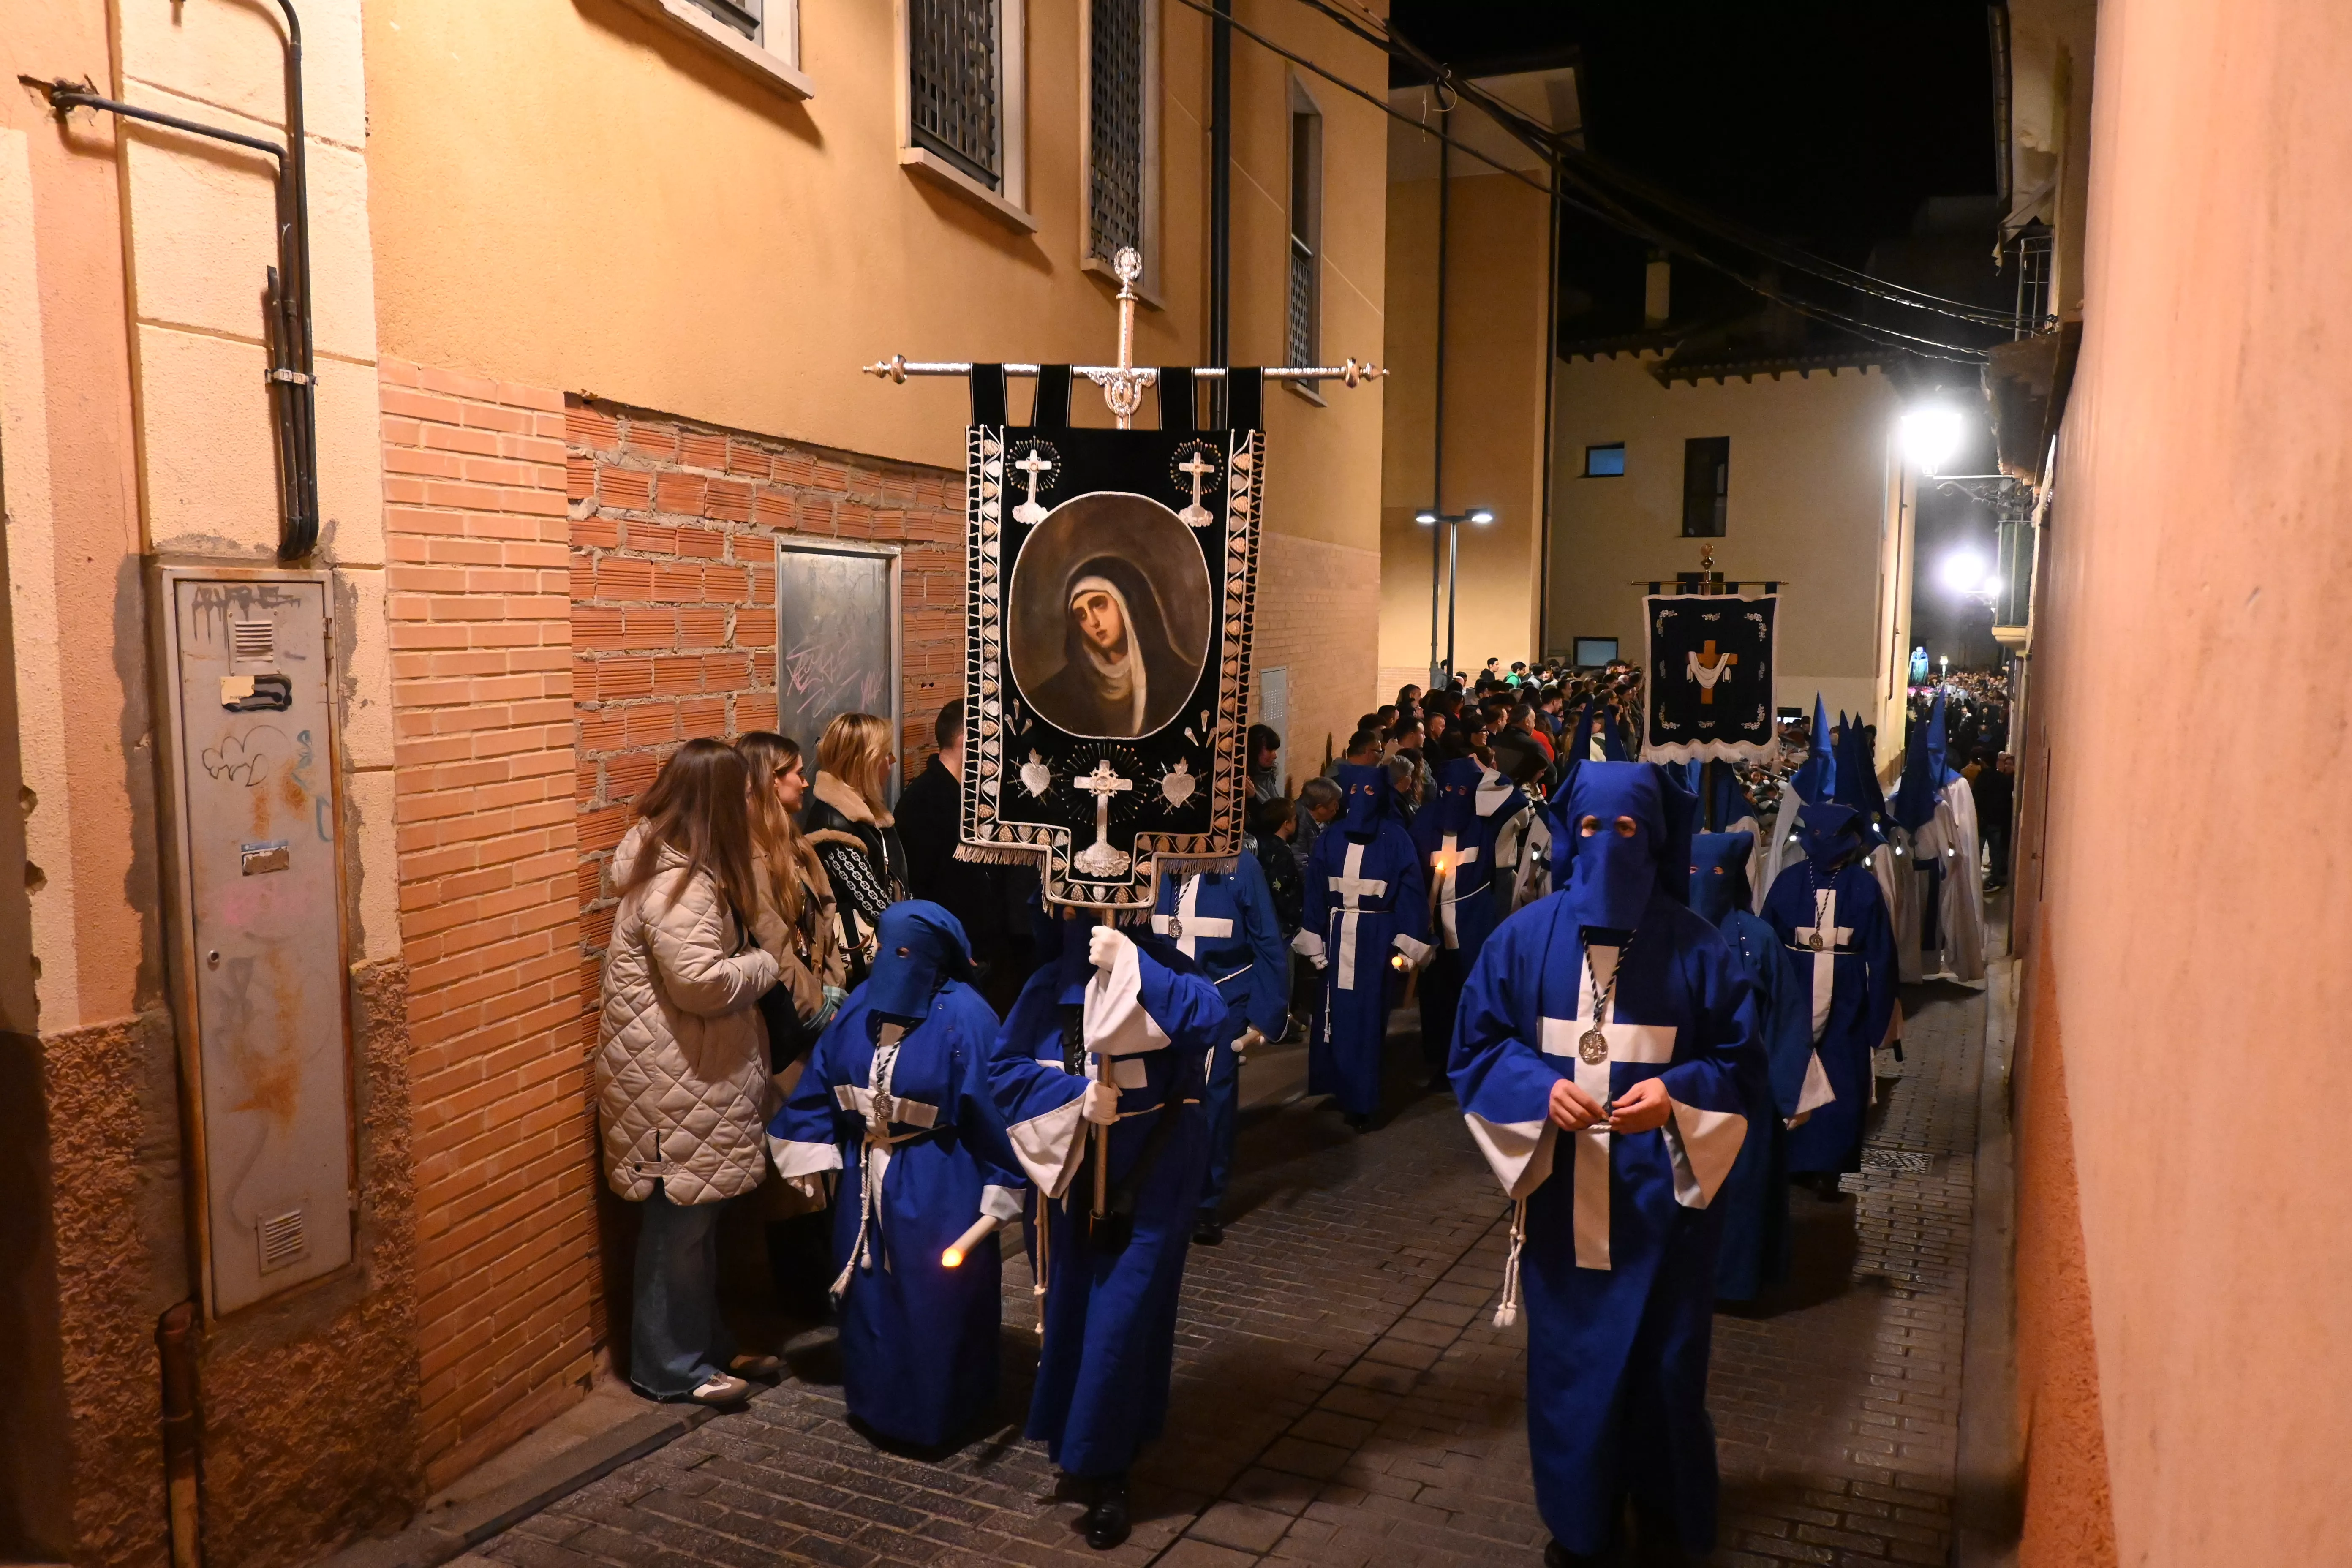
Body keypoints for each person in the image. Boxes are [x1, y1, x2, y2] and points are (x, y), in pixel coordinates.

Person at [1449, 761, 1764, 1565]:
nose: (1606, 846)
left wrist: (1675, 1093)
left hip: (1664, 1211)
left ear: (1653, 837)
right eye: (1590, 829)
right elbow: (1478, 1048)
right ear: (1568, 833)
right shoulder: (1522, 940)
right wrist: (1537, 1088)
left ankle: (1666, 1519)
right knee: (1571, 1376)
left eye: (1626, 831)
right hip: (1565, 1207)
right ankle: (1581, 1527)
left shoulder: (1695, 947)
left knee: (1664, 1372)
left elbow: (1740, 1066)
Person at [988, 919, 1227, 1550]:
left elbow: (1208, 1018)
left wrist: (1133, 966)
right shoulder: (1048, 986)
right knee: (1074, 1314)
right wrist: (1072, 1096)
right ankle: (1081, 1435)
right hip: (1073, 1176)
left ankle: (1107, 1468)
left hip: (1154, 1175)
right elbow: (1006, 1071)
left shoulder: (1166, 969)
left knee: (1122, 1321)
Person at [766, 903, 1024, 1448]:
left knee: (937, 1295)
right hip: (866, 1172)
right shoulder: (862, 1006)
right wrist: (808, 1152)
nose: (889, 963)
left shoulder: (967, 1018)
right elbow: (821, 1083)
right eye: (884, 949)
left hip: (938, 1178)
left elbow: (994, 1108)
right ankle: (877, 1403)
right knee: (869, 1293)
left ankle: (941, 1410)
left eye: (903, 953)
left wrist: (1006, 1182)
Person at [597, 739, 782, 1406]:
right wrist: (765, 966)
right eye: (741, 794)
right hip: (672, 1086)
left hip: (681, 1077)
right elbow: (700, 984)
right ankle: (669, 1367)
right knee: (677, 1232)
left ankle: (706, 1346)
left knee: (696, 1227)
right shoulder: (681, 886)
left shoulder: (677, 866)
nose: (749, 804)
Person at [1689, 831, 1829, 1303]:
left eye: (1716, 875)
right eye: (1691, 874)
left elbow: (1788, 1017)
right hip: (1679, 1090)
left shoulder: (1758, 939)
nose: (1703, 884)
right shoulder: (1665, 933)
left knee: (1741, 1192)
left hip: (1744, 1091)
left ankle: (1734, 1283)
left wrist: (1789, 1092)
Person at [738, 730, 849, 1319]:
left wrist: (835, 985)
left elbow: (826, 918)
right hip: (784, 1029)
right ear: (765, 783)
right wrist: (816, 1004)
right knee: (792, 1164)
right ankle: (800, 1297)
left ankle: (830, 1275)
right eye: (794, 774)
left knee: (824, 1154)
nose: (805, 783)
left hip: (821, 1012)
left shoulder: (798, 847)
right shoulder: (750, 858)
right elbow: (774, 949)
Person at [1150, 852, 1289, 1243]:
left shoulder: (1240, 867)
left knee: (1211, 1099)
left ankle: (1204, 1201)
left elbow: (1265, 938)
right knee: (1158, 1095)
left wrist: (1267, 1011)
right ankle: (1159, 1193)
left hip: (1223, 995)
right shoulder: (1158, 860)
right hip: (1161, 996)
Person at [1763, 801, 1897, 1192]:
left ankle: (1827, 1166)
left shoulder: (1857, 885)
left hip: (1843, 997)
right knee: (1798, 1070)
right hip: (1800, 990)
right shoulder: (1796, 881)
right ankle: (1798, 1160)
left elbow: (1883, 956)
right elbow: (1767, 940)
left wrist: (1877, 1016)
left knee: (1842, 1079)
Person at [1294, 763, 1431, 1130]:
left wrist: (1405, 944)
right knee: (1333, 1016)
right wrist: (1315, 936)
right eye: (1355, 793)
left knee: (1367, 1019)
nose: (1361, 801)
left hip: (1375, 938)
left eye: (1370, 794)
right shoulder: (1331, 838)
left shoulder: (1396, 839)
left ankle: (1363, 1100)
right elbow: (1316, 891)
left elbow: (1411, 893)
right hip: (1338, 936)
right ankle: (1338, 1086)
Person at [896, 698, 1037, 1009]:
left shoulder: (976, 794)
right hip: (959, 957)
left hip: (991, 952)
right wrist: (952, 944)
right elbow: (920, 887)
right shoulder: (922, 801)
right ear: (967, 741)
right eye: (991, 738)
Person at [1414, 755, 1527, 1093]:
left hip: (1472, 918)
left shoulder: (1483, 821)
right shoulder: (1426, 820)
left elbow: (1516, 797)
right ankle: (1443, 1059)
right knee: (1438, 993)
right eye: (1449, 789)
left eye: (1463, 790)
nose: (1455, 796)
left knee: (1473, 988)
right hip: (1434, 919)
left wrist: (1487, 774)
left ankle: (1477, 1053)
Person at [1032, 556, 1192, 738]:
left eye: (1099, 604)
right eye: (1081, 615)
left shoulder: (1182, 683)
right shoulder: (1054, 695)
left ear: (1127, 604)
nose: (1093, 622)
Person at [805, 712, 909, 988]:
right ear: (866, 762)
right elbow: (873, 901)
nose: (892, 762)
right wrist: (919, 936)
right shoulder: (834, 822)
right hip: (860, 968)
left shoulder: (867, 812)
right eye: (886, 754)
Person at [1251, 795, 1306, 937]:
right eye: (1295, 819)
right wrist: (1297, 918)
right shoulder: (1281, 851)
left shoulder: (1260, 842)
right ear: (1287, 824)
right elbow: (1280, 891)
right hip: (1281, 925)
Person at [1974, 753, 2017, 889]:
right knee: (1996, 852)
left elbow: (1977, 799)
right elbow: (2007, 799)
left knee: (1977, 851)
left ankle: (1974, 878)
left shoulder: (1981, 778)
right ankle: (1995, 878)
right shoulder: (2002, 779)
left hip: (1982, 821)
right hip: (1996, 821)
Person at [1247, 723, 1284, 803]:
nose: (1275, 756)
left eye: (1275, 750)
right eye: (1270, 750)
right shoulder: (1247, 782)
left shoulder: (1267, 775)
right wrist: (1252, 799)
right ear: (1254, 750)